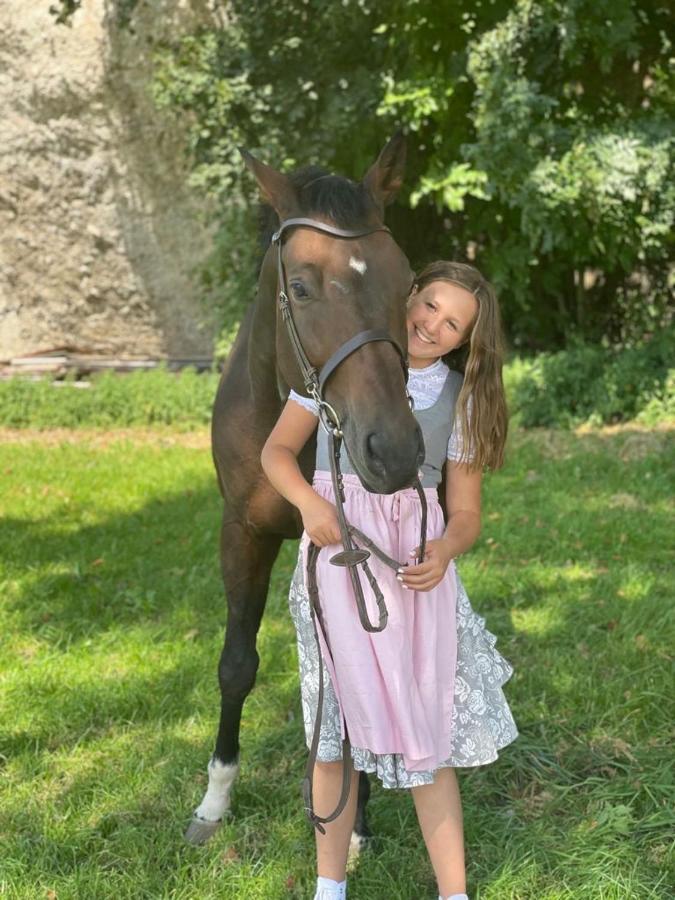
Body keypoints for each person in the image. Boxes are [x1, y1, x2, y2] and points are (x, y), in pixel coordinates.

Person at [261, 261, 518, 900]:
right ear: (407, 295)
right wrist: (310, 505)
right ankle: (330, 887)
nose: (432, 324)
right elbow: (274, 452)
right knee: (332, 735)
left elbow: (466, 515)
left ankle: (453, 892)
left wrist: (445, 551)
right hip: (339, 555)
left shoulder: (458, 399)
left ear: (465, 341)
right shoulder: (338, 364)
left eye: (452, 322)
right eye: (429, 304)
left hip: (413, 574)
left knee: (428, 729)